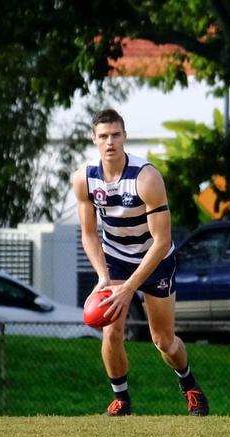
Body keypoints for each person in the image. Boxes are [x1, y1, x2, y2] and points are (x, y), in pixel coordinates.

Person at [71, 108, 209, 416]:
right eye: (103, 136)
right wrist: (103, 278)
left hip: (155, 258)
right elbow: (90, 236)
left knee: (163, 341)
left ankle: (189, 384)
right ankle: (122, 400)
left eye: (116, 135)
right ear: (94, 139)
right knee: (111, 331)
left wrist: (130, 287)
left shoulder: (146, 177)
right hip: (116, 258)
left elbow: (161, 241)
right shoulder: (83, 180)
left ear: (125, 137)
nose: (110, 142)